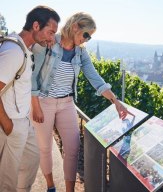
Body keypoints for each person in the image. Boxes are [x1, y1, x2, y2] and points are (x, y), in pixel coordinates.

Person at [31, 12, 134, 192]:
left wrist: (116, 101)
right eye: (86, 34)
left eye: (90, 37)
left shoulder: (81, 53)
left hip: (67, 103)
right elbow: (33, 77)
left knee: (73, 148)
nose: (87, 39)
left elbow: (96, 79)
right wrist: (35, 105)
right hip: (43, 102)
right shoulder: (48, 42)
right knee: (44, 147)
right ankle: (50, 186)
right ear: (75, 26)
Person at [0, 6, 60, 192]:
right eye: (50, 32)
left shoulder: (27, 49)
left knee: (32, 160)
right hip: (11, 123)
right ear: (35, 25)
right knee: (6, 181)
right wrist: (7, 124)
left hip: (24, 121)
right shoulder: (14, 51)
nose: (52, 38)